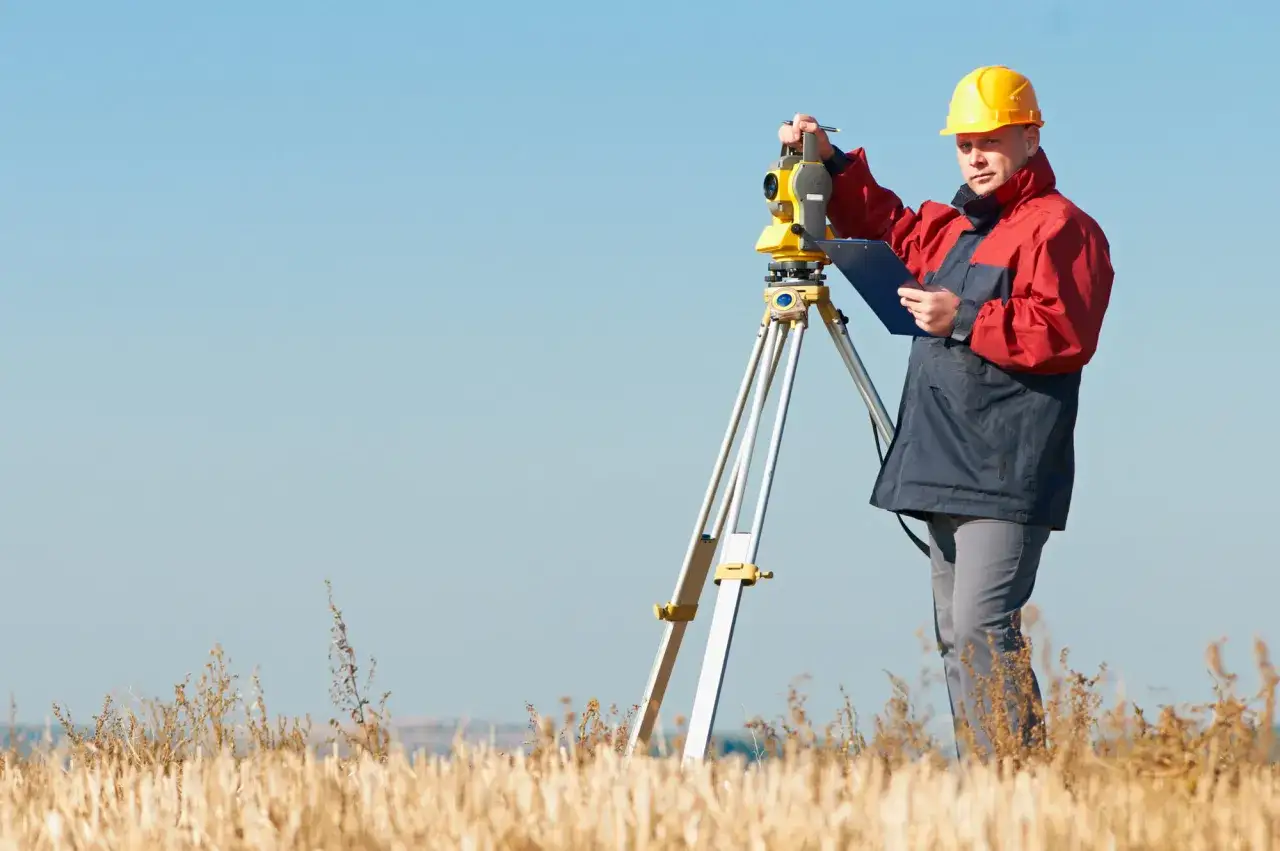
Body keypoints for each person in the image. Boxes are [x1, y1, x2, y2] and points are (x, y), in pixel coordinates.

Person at [780, 65, 1114, 758]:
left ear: (1030, 136)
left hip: (1006, 464)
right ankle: (981, 791)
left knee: (983, 625)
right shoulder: (958, 229)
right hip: (942, 459)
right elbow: (890, 223)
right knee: (956, 635)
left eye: (990, 140)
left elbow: (1064, 331)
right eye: (965, 143)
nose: (976, 155)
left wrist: (961, 315)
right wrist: (831, 163)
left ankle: (1017, 786)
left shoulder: (1062, 228)